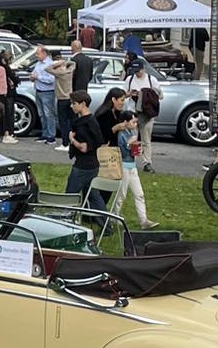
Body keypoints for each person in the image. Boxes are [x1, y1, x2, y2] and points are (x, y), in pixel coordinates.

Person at [101, 88, 148, 227]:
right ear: (125, 122)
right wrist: (131, 142)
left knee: (139, 194)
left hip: (132, 166)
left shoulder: (130, 133)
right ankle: (114, 216)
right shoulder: (122, 134)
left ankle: (144, 220)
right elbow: (124, 148)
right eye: (133, 122)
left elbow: (133, 150)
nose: (135, 125)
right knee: (121, 195)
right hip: (123, 167)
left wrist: (137, 149)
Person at [62, 90, 106, 212]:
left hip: (83, 166)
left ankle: (66, 220)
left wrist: (72, 139)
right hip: (92, 165)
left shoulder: (87, 124)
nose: (72, 106)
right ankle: (106, 225)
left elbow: (84, 147)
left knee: (70, 196)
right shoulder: (88, 121)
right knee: (93, 196)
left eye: (74, 103)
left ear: (83, 104)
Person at [124, 58, 161, 170]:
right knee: (133, 138)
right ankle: (132, 161)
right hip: (133, 112)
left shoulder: (151, 80)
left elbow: (160, 95)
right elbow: (123, 94)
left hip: (147, 113)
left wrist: (145, 94)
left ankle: (147, 162)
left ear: (143, 69)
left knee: (146, 139)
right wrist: (131, 93)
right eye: (135, 71)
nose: (137, 73)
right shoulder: (129, 79)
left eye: (139, 70)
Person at [31, 46, 60, 145]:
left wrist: (38, 77)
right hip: (38, 90)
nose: (36, 55)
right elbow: (34, 73)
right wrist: (33, 77)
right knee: (41, 114)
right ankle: (45, 133)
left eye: (38, 54)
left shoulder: (50, 64)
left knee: (49, 114)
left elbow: (51, 79)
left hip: (47, 92)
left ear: (44, 53)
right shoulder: (38, 64)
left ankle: (51, 136)